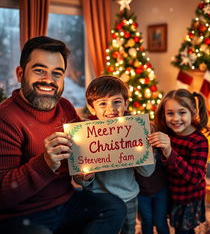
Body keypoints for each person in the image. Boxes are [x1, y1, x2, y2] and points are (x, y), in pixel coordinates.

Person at [0, 36, 126, 234]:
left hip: (67, 202)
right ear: (20, 73)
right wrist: (45, 163)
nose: (49, 80)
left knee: (114, 207)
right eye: (39, 70)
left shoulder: (65, 107)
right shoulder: (5, 118)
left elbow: (80, 157)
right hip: (22, 214)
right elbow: (3, 195)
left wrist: (84, 171)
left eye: (56, 73)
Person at [74, 75, 155, 234]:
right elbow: (80, 181)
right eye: (102, 103)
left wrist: (144, 153)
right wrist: (86, 176)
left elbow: (147, 171)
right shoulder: (85, 134)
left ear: (126, 104)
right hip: (98, 199)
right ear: (92, 108)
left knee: (128, 230)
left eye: (116, 102)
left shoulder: (135, 131)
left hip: (128, 196)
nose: (111, 109)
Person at [148, 89, 210, 234]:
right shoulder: (166, 133)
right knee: (167, 222)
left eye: (182, 112)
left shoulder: (199, 141)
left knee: (183, 230)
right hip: (169, 192)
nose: (175, 118)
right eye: (170, 113)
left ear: (193, 112)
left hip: (188, 197)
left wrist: (170, 152)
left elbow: (196, 177)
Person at [135, 144, 170, 234]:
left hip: (160, 190)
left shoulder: (159, 144)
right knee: (147, 221)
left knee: (160, 221)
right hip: (141, 192)